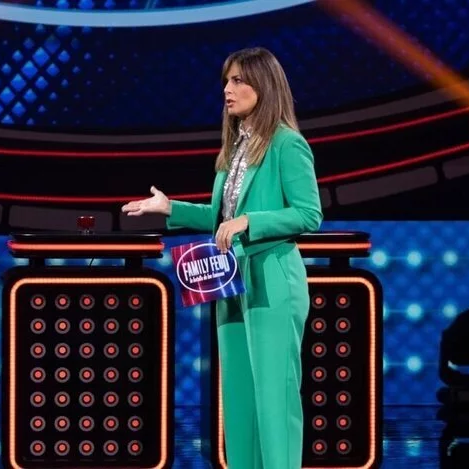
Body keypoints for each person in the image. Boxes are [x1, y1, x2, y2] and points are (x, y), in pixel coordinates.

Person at [122, 47, 322, 469]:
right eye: (226, 81)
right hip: (230, 280)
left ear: (263, 86)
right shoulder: (235, 149)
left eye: (238, 81)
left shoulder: (287, 144)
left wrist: (251, 221)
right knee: (240, 399)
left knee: (275, 398)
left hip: (271, 278)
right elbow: (221, 218)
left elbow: (309, 214)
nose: (227, 90)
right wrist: (170, 208)